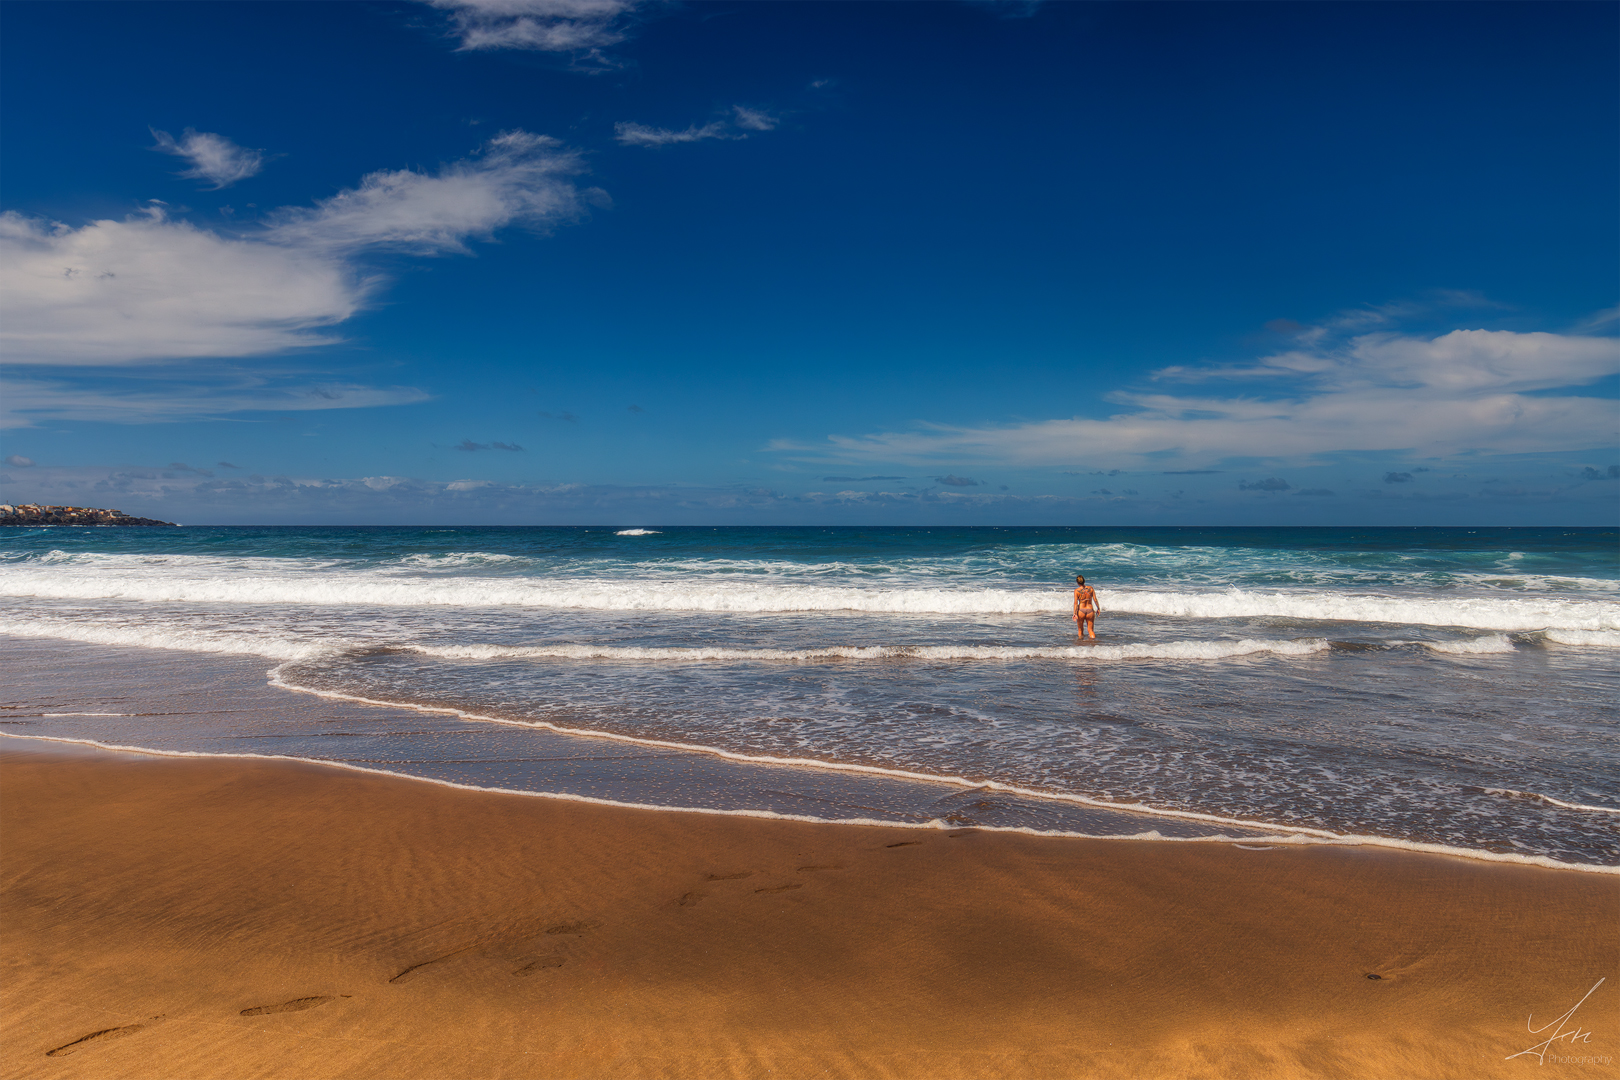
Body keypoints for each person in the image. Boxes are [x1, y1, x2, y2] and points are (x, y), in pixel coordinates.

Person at [1072, 575, 1100, 641]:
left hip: (1081, 610)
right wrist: (1098, 608)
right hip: (1090, 610)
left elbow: (1076, 603)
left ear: (1077, 582)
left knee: (1080, 630)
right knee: (1090, 630)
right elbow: (1095, 599)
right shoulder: (1091, 588)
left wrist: (1074, 613)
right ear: (1084, 581)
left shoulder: (1076, 591)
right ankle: (1094, 644)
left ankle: (1080, 645)